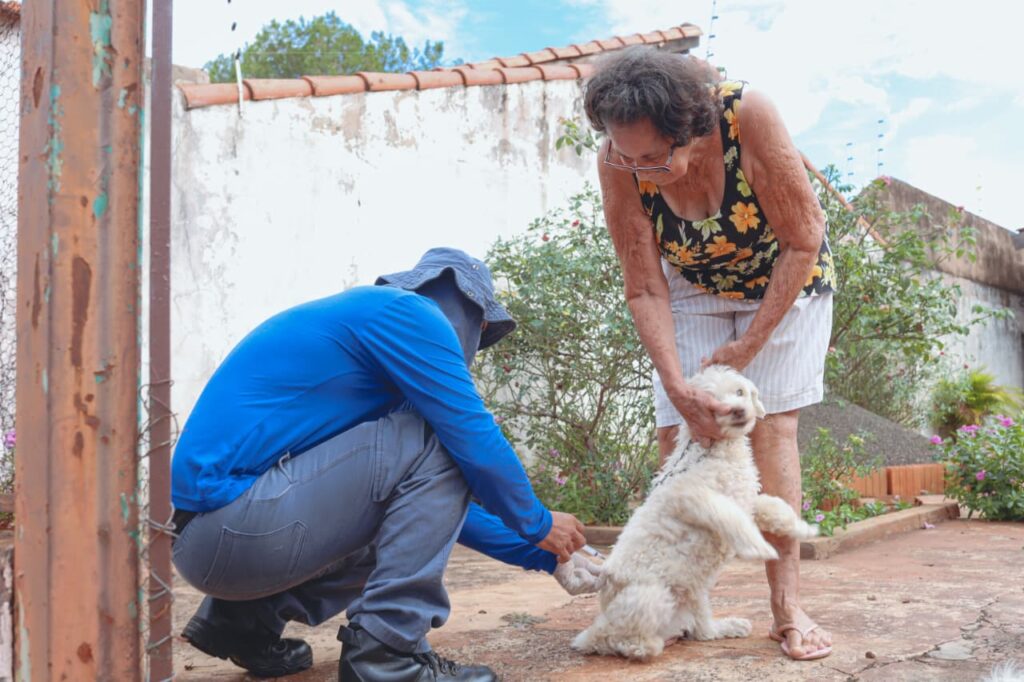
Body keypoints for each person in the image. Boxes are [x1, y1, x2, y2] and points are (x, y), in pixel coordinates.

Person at [170, 248, 600, 681]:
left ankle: (242, 623)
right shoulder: (411, 314)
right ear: (475, 315)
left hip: (210, 543)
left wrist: (549, 556)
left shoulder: (372, 340)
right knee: (443, 436)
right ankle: (388, 655)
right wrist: (539, 522)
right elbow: (472, 443)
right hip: (234, 529)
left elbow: (437, 512)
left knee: (406, 504)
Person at [583, 47, 836, 661]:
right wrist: (675, 383)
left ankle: (787, 607)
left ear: (692, 131)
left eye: (653, 158)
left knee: (770, 427)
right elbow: (644, 284)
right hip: (694, 281)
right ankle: (677, 601)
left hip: (784, 276)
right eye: (626, 156)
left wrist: (751, 344)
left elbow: (804, 240)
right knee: (680, 434)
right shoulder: (619, 158)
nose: (638, 170)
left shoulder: (747, 116)